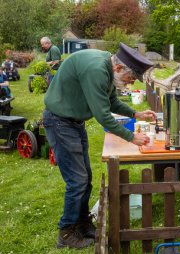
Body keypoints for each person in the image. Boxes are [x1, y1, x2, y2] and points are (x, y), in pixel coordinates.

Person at [42, 43, 155, 249]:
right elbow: (103, 115)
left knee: (85, 178)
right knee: (77, 181)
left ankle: (83, 225)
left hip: (73, 122)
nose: (129, 85)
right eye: (130, 79)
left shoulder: (107, 68)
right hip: (60, 122)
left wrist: (135, 114)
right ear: (119, 68)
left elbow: (111, 102)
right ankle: (66, 232)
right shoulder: (96, 70)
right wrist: (132, 137)